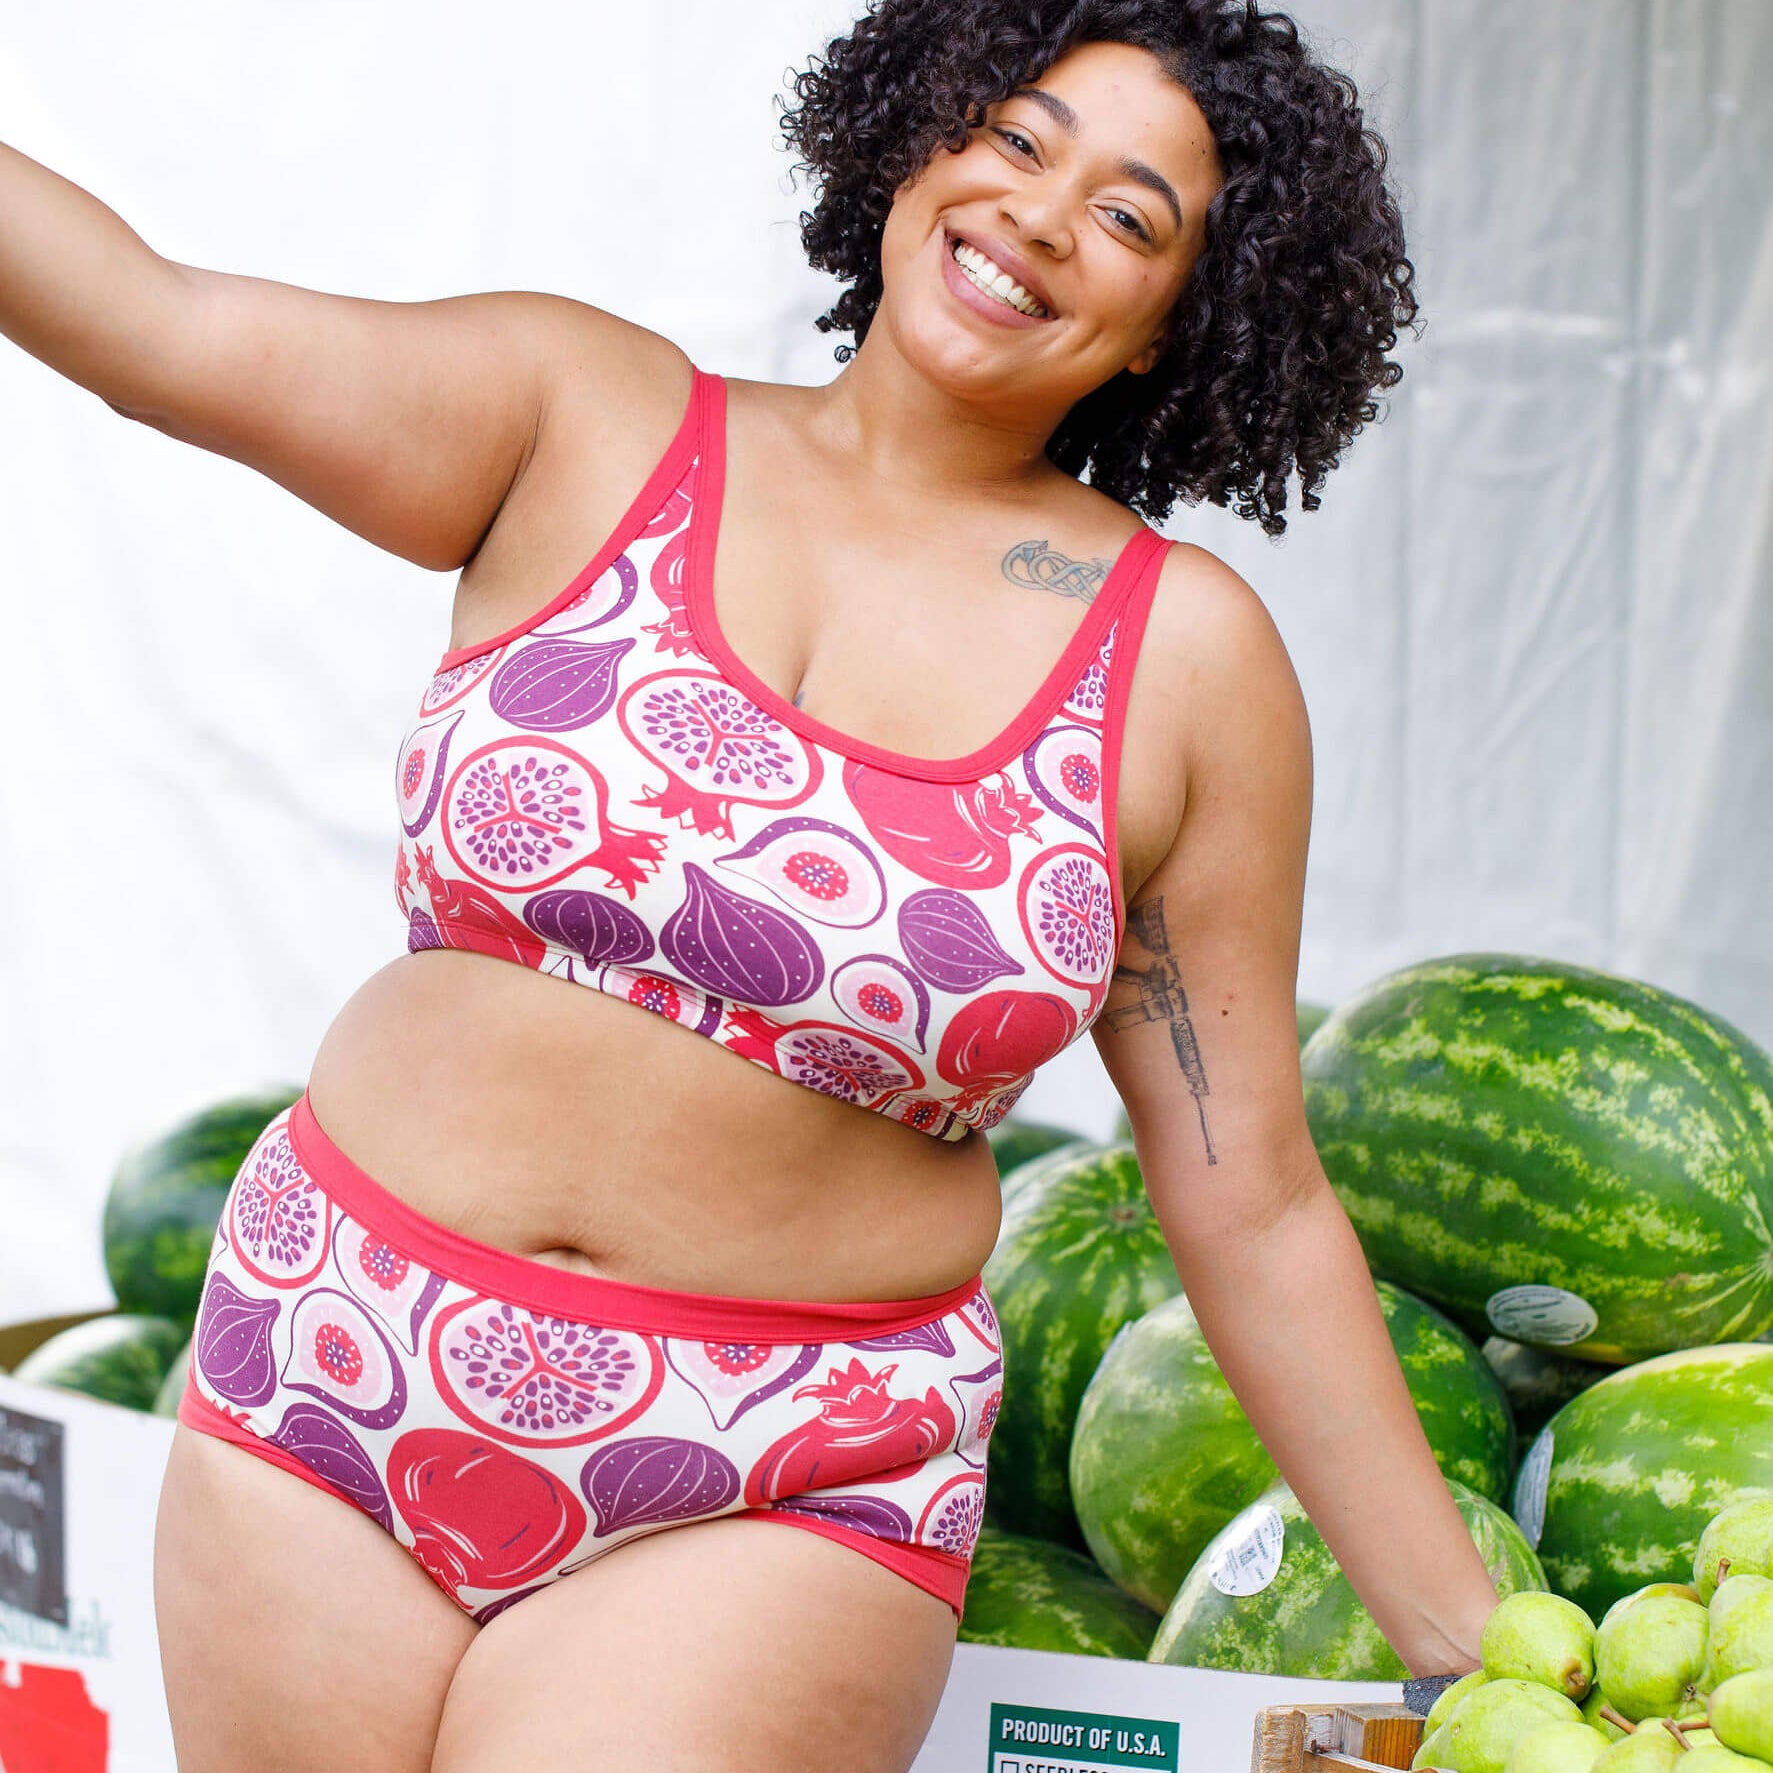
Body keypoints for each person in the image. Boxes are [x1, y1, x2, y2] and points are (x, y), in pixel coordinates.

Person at [1, 0, 1500, 1766]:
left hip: (779, 1457)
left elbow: (1247, 1198)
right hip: (332, 1349)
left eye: (1127, 215)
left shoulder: (1182, 666)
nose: (1035, 210)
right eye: (1013, 138)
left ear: (1183, 326)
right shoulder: (579, 415)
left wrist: (1477, 1650)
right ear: (916, 136)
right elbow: (152, 324)